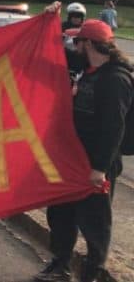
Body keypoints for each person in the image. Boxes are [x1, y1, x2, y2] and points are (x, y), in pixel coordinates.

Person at [36, 17, 133, 282]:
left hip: (96, 165)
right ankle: (60, 265)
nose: (73, 45)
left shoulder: (115, 79)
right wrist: (45, 24)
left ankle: (91, 273)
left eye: (77, 41)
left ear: (88, 43)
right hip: (72, 160)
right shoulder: (90, 67)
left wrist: (99, 168)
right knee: (61, 213)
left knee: (95, 223)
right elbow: (62, 55)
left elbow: (115, 128)